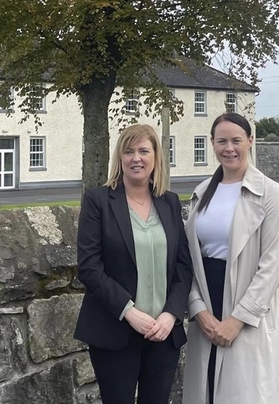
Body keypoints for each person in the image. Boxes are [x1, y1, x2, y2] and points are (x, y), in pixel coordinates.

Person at [74, 124, 193, 404]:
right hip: (115, 331)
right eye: (128, 151)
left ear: (155, 157)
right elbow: (90, 267)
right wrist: (129, 312)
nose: (136, 158)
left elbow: (183, 266)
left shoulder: (170, 202)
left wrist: (171, 314)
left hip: (163, 333)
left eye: (143, 150)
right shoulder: (98, 201)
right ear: (120, 158)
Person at [182, 112, 279, 404]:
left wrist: (238, 319)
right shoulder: (202, 192)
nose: (228, 148)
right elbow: (188, 258)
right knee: (205, 390)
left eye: (236, 140)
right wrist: (198, 310)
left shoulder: (269, 193)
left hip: (247, 304)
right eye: (221, 141)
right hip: (208, 298)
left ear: (250, 141)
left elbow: (272, 265)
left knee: (245, 392)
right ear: (212, 144)